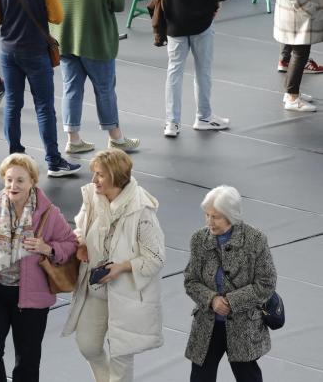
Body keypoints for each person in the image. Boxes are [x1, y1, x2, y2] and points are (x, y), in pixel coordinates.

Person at [0, 153, 78, 382]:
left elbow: (71, 244)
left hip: (31, 300)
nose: (13, 185)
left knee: (27, 362)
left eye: (20, 180)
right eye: (9, 179)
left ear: (32, 182)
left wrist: (47, 248)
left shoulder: (48, 213)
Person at [62, 149, 165, 382]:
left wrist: (122, 267)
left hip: (127, 294)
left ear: (115, 176)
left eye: (99, 175)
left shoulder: (142, 210)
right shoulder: (92, 198)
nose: (93, 180)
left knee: (121, 356)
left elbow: (156, 257)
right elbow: (81, 227)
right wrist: (81, 241)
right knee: (87, 345)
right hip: (96, 288)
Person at [0, 0, 81, 177]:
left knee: (13, 105)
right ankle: (54, 161)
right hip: (36, 52)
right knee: (44, 107)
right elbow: (57, 16)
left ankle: (14, 155)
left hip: (8, 51)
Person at [49, 0, 139, 155]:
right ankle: (116, 138)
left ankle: (73, 139)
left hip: (66, 41)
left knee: (71, 90)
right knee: (105, 89)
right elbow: (119, 2)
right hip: (97, 42)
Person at [147, 0, 232, 136]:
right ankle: (203, 117)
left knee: (174, 72)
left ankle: (171, 123)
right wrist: (215, 0)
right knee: (203, 71)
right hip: (202, 23)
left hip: (175, 23)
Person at [184, 186, 278, 382]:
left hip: (244, 327)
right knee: (200, 378)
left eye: (215, 216)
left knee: (248, 377)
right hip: (207, 325)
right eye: (207, 215)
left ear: (231, 215)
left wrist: (231, 302)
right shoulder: (198, 239)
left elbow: (267, 283)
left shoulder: (255, 240)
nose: (209, 221)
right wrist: (212, 300)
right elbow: (191, 280)